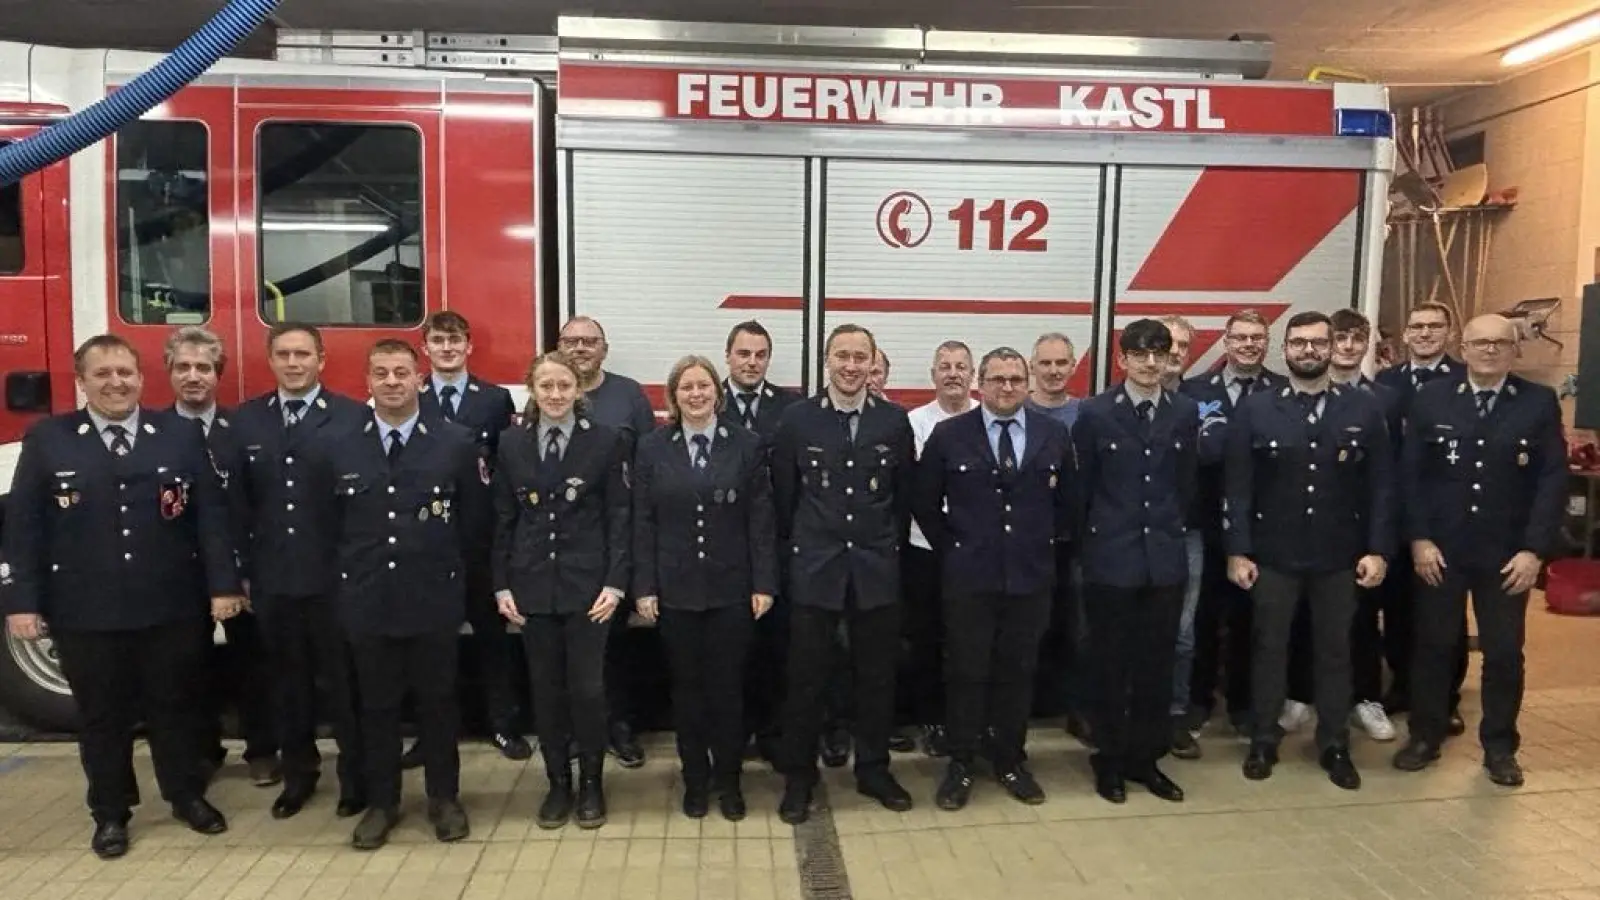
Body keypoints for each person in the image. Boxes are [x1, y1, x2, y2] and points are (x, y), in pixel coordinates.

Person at [1, 334, 245, 858]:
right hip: (85, 610)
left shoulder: (177, 434)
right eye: (103, 374)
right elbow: (23, 527)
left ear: (140, 378)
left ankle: (185, 796)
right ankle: (110, 813)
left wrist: (223, 586)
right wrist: (21, 602)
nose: (115, 383)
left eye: (124, 373)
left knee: (175, 709)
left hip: (170, 605)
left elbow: (210, 520)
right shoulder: (49, 439)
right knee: (103, 716)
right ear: (81, 381)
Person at [318, 339, 480, 849]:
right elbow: (329, 531)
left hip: (432, 601)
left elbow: (473, 528)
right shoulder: (340, 444)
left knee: (438, 704)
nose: (392, 382)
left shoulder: (454, 442)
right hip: (368, 602)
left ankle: (444, 799)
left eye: (402, 372)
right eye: (382, 373)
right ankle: (382, 802)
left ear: (420, 379)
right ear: (367, 381)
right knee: (377, 708)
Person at [1392, 314, 1565, 787]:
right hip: (1442, 551)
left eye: (1499, 343)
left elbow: (1551, 479)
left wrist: (1534, 550)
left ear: (1515, 350)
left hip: (1506, 555)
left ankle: (1500, 747)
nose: (1489, 350)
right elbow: (1411, 476)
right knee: (1434, 647)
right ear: (1462, 348)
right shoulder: (1431, 398)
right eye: (1480, 343)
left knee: (1505, 653)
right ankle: (1424, 736)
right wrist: (1420, 539)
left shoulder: (1537, 402)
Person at [1223, 311, 1393, 790]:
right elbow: (1239, 488)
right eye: (1300, 343)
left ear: (1331, 346)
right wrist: (1238, 550)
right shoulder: (1257, 409)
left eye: (1319, 343)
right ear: (1286, 349)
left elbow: (1382, 488)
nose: (1310, 351)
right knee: (1269, 649)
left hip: (1339, 556)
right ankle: (1262, 738)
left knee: (1336, 652)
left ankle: (1334, 743)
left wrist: (1378, 549)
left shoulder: (1362, 409)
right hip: (1273, 555)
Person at [772, 324, 916, 824]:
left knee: (877, 678)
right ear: (826, 361)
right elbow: (785, 499)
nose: (851, 366)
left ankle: (873, 770)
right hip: (816, 569)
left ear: (872, 362)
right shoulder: (797, 420)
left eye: (860, 357)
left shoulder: (894, 422)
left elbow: (901, 499)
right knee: (806, 679)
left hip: (875, 569)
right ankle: (799, 779)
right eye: (842, 356)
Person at [918, 347, 1072, 809]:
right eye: (997, 379)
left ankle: (1010, 759)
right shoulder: (949, 436)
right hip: (970, 578)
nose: (1007, 388)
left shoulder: (1054, 433)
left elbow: (1070, 504)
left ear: (1027, 384)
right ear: (979, 385)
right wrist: (955, 549)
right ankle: (961, 762)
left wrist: (1041, 548)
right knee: (966, 671)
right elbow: (924, 503)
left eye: (1015, 379)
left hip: (1030, 578)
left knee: (1017, 672)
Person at [231, 323, 370, 820]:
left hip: (336, 579)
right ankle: (299, 776)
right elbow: (236, 505)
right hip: (274, 580)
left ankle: (356, 777)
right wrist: (241, 573)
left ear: (321, 360)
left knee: (344, 684)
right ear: (270, 360)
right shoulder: (245, 421)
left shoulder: (353, 417)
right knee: (288, 686)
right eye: (284, 354)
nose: (293, 363)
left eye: (303, 354)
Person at [633, 356, 777, 821]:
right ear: (673, 397)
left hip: (732, 591)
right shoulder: (653, 447)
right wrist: (645, 586)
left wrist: (763, 582)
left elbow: (761, 519)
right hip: (675, 592)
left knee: (728, 692)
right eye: (686, 388)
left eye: (704, 386)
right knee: (688, 693)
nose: (696, 395)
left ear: (717, 391)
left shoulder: (747, 445)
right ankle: (695, 781)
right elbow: (642, 521)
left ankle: (729, 783)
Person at [493, 350, 631, 829]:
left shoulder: (607, 442)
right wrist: (501, 585)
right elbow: (504, 521)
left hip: (589, 590)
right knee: (546, 693)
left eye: (564, 386)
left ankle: (592, 783)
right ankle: (557, 785)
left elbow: (619, 517)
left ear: (579, 390)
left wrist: (615, 583)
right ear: (532, 389)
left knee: (588, 691)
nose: (555, 395)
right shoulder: (511, 444)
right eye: (546, 386)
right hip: (532, 589)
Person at [1072, 320, 1198, 805]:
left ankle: (1146, 760)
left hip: (1163, 559)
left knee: (1156, 666)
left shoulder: (1184, 412)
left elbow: (1184, 485)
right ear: (1121, 359)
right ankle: (1108, 760)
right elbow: (1083, 491)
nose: (1150, 363)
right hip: (1111, 558)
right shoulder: (1095, 413)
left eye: (1159, 354)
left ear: (1170, 359)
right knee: (1110, 665)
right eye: (1140, 354)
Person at [404, 310, 530, 766]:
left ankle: (503, 725)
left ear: (469, 346)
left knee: (494, 642)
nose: (448, 347)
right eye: (438, 340)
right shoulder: (411, 396)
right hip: (427, 542)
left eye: (455, 340)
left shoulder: (494, 399)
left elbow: (503, 469)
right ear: (427, 348)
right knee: (430, 646)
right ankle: (430, 733)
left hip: (478, 539)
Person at [166, 326, 281, 787]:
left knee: (253, 665)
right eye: (184, 368)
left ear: (219, 375)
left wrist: (248, 572)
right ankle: (201, 750)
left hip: (240, 569)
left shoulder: (243, 431)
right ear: (169, 372)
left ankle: (261, 750)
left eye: (203, 368)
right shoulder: (154, 433)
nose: (194, 377)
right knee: (185, 667)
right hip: (178, 574)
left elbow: (261, 505)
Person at [1181, 310, 1287, 736]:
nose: (1248, 344)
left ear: (1267, 343)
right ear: (1225, 342)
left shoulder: (1282, 391)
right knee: (1201, 617)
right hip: (1204, 524)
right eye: (1239, 337)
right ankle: (1198, 699)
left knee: (1253, 619)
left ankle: (1244, 703)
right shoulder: (1193, 392)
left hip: (1262, 527)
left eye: (1256, 338)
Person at [557, 315, 653, 768]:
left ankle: (620, 727)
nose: (580, 348)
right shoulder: (550, 392)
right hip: (566, 548)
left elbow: (651, 464)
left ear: (604, 349)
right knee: (571, 649)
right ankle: (579, 732)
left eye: (589, 341)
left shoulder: (629, 395)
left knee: (615, 645)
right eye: (571, 341)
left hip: (618, 539)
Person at [1374, 302, 1469, 732]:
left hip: (1444, 517)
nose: (1426, 334)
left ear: (1450, 333)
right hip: (1394, 514)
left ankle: (1444, 698)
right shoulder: (1386, 382)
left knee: (1442, 612)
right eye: (1417, 327)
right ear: (1405, 336)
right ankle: (1402, 687)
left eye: (1435, 327)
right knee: (1396, 607)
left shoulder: (1466, 381)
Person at [720, 320, 801, 763]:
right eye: (744, 354)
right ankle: (733, 735)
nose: (752, 362)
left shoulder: (790, 409)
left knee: (775, 648)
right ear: (728, 356)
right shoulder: (707, 403)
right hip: (724, 546)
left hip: (777, 544)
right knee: (730, 652)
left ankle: (772, 732)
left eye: (760, 355)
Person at [1324, 308, 1403, 742]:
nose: (1349, 346)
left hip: (1359, 532)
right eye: (1341, 338)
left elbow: (1387, 479)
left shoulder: (1385, 400)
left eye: (1358, 338)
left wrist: (1380, 543)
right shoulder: (1291, 394)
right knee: (1304, 618)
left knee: (1361, 619)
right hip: (1309, 530)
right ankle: (1301, 694)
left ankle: (1366, 698)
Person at [903, 341, 977, 758]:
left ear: (973, 375)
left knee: (968, 639)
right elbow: (918, 493)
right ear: (933, 374)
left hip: (977, 550)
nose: (953, 373)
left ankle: (966, 719)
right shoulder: (915, 423)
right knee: (927, 637)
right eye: (945, 367)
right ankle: (931, 719)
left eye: (961, 367)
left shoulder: (987, 419)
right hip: (925, 547)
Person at [1024, 333, 1089, 742]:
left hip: (1076, 542)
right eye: (1044, 363)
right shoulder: (1017, 412)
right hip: (1029, 544)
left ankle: (1079, 709)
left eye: (1061, 363)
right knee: (1031, 628)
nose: (1053, 371)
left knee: (1079, 628)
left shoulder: (1089, 416)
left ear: (1072, 367)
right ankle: (1029, 706)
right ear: (1033, 368)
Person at [1157, 315, 1205, 760]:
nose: (1172, 353)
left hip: (1186, 532)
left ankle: (1174, 715)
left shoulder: (1201, 403)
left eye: (1181, 345)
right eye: (1164, 343)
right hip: (1133, 536)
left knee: (1183, 631)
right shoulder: (1116, 404)